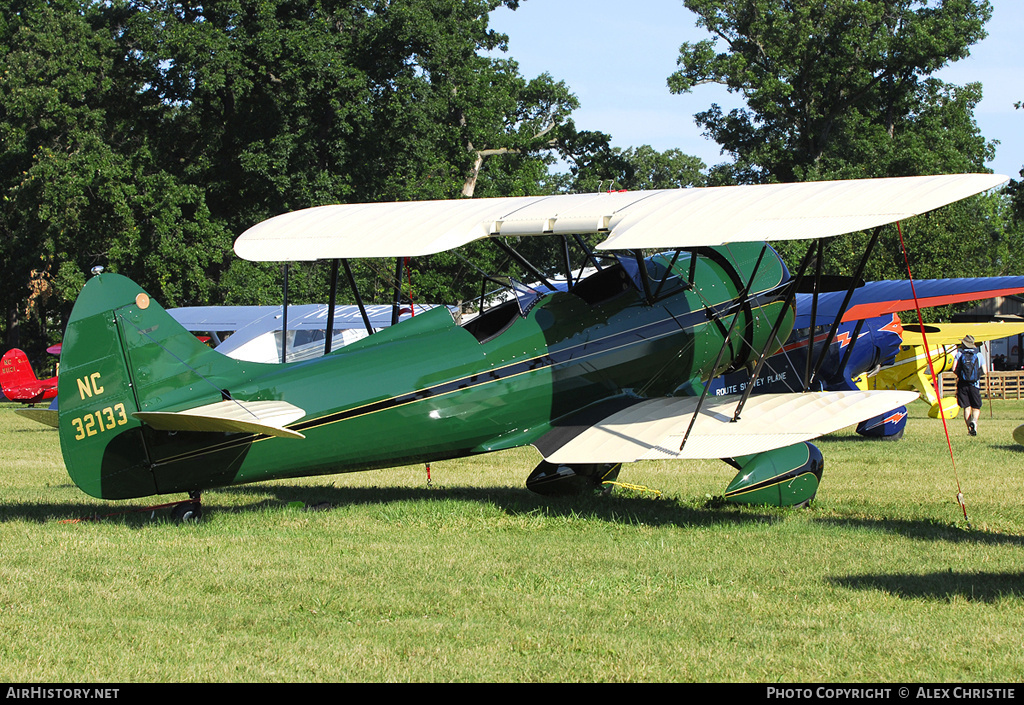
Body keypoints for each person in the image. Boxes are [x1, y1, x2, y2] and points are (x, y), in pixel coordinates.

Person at [951, 334, 985, 436]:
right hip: (975, 384)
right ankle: (974, 421)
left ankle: (969, 430)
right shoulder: (979, 355)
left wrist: (960, 375)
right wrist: (977, 376)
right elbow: (985, 371)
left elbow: (953, 369)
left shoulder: (959, 354)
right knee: (976, 407)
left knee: (966, 407)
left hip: (962, 384)